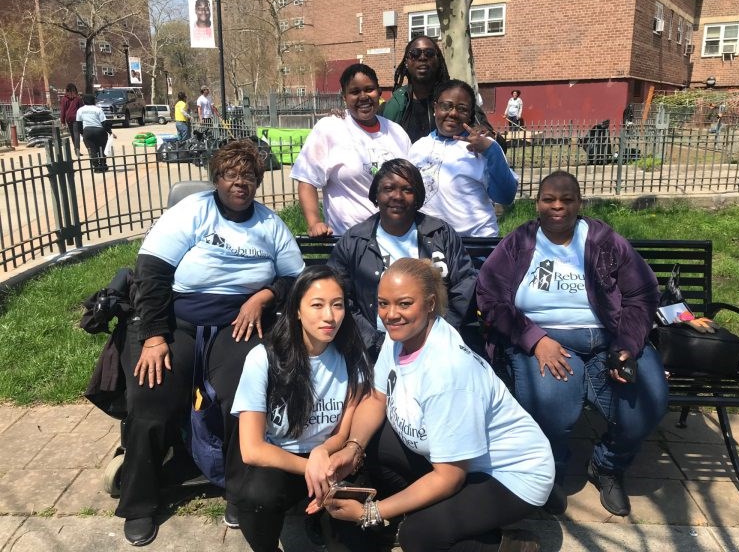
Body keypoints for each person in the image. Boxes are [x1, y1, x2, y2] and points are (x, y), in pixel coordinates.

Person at [117, 139, 305, 546]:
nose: (240, 183)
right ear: (216, 178)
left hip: (239, 325)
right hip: (177, 321)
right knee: (152, 398)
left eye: (249, 176)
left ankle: (240, 492)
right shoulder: (191, 212)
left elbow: (295, 278)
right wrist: (153, 336)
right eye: (231, 175)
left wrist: (264, 295)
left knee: (243, 398)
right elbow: (150, 272)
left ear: (258, 180)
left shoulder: (270, 224)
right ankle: (139, 502)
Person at [323, 258, 555, 552]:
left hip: (512, 475)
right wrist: (352, 447)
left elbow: (449, 477)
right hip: (460, 458)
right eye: (383, 303)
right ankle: (426, 513)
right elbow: (378, 397)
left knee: (418, 537)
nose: (390, 314)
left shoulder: (448, 372)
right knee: (373, 443)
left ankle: (508, 544)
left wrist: (374, 511)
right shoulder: (400, 338)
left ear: (430, 303)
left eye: (404, 304)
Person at [476, 170, 668, 517]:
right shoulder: (519, 243)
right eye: (549, 199)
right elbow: (489, 297)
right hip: (545, 339)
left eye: (566, 199)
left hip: (609, 338)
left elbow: (642, 293)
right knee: (554, 407)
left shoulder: (604, 241)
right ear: (537, 204)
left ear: (579, 203)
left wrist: (627, 343)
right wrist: (534, 340)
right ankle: (550, 472)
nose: (557, 206)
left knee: (648, 402)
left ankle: (608, 466)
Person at [225, 265, 373, 552]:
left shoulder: (352, 353)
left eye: (337, 305)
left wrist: (324, 454)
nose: (329, 316)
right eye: (317, 305)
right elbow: (252, 449)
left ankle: (320, 518)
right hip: (281, 458)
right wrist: (312, 468)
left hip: (331, 459)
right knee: (257, 499)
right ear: (296, 310)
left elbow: (344, 428)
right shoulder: (263, 358)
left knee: (355, 539)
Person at [328, 158, 477, 359]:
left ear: (417, 197)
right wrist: (375, 342)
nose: (397, 196)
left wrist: (439, 333)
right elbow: (340, 297)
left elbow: (465, 282)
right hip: (374, 349)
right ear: (376, 195)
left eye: (407, 190)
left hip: (438, 348)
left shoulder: (440, 234)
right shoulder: (354, 241)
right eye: (388, 188)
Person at [291, 63, 410, 237]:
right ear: (344, 97)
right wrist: (314, 222)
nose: (363, 97)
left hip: (395, 238)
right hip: (349, 241)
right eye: (355, 92)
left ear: (379, 92)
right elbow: (306, 180)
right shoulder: (330, 128)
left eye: (369, 89)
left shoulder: (396, 132)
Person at [408, 80, 518, 237]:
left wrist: (491, 151)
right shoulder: (418, 148)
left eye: (462, 109)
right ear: (435, 108)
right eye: (446, 106)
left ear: (470, 114)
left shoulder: (485, 146)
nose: (452, 113)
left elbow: (506, 197)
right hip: (430, 242)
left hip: (475, 244)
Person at [380, 36, 495, 144]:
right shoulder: (394, 105)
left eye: (429, 53)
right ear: (406, 62)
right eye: (415, 53)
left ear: (438, 61)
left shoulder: (458, 99)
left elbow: (496, 143)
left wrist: (487, 136)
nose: (422, 57)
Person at [76, 93, 114, 173]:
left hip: (87, 131)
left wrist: (83, 133)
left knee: (92, 149)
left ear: (84, 101)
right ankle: (103, 165)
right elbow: (104, 122)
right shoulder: (98, 109)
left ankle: (96, 166)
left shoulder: (80, 110)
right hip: (99, 131)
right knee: (102, 147)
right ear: (93, 101)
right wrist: (110, 132)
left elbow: (79, 124)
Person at [59, 83, 83, 156]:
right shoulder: (78, 98)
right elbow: (82, 108)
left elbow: (63, 110)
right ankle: (77, 150)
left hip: (68, 118)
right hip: (76, 118)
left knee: (72, 134)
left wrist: (62, 121)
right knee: (76, 134)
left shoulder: (64, 99)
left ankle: (76, 149)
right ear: (75, 90)